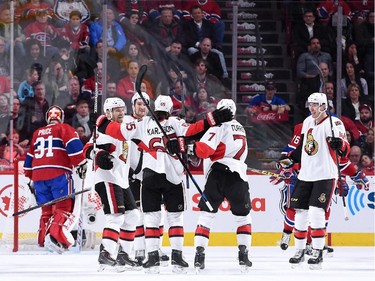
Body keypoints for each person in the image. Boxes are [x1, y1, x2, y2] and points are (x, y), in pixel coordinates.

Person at [96, 94, 233, 273]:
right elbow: (194, 130)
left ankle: (152, 258)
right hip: (173, 176)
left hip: (149, 174)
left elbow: (118, 131)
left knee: (150, 217)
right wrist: (212, 119)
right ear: (169, 110)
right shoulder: (176, 122)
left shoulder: (141, 123)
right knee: (175, 217)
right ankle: (177, 258)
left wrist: (100, 122)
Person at [276, 92, 368, 269]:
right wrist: (290, 160)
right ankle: (300, 250)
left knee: (317, 213)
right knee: (300, 213)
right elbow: (303, 147)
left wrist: (339, 145)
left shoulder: (335, 124)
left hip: (325, 175)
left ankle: (318, 252)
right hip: (305, 175)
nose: (312, 108)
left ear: (324, 106)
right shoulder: (308, 122)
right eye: (310, 104)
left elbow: (345, 149)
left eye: (315, 104)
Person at [189, 99, 253, 272]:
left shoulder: (218, 126)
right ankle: (244, 255)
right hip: (239, 175)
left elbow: (204, 150)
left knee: (206, 215)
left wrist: (189, 148)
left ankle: (199, 255)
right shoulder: (240, 127)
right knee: (243, 216)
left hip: (218, 173)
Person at [83, 97, 140, 271]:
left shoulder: (122, 129)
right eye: (117, 110)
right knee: (116, 216)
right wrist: (98, 155)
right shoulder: (104, 131)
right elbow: (88, 149)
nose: (121, 112)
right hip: (106, 178)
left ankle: (124, 255)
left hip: (121, 180)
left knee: (133, 216)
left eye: (123, 109)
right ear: (108, 113)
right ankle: (106, 254)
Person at [23, 105, 87, 253]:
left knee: (46, 211)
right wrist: (81, 163)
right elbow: (74, 147)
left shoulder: (37, 133)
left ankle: (43, 240)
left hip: (38, 177)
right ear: (61, 118)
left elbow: (29, 160)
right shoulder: (64, 128)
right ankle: (56, 238)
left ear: (48, 118)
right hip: (58, 174)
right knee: (64, 208)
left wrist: (30, 176)